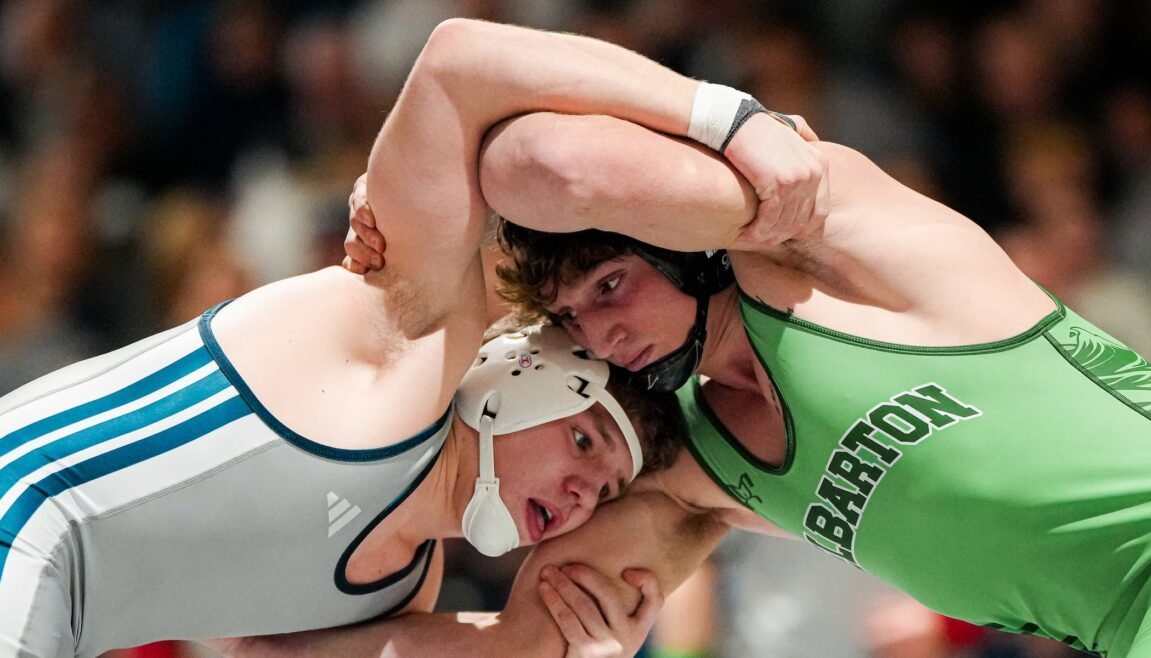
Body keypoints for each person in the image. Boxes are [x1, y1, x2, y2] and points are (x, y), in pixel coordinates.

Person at [340, 18, 1151, 658]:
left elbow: (539, 162)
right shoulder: (691, 471)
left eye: (611, 284)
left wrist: (724, 122)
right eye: (569, 321)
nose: (600, 331)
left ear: (678, 240)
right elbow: (526, 641)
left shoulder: (817, 239)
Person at [0, 16, 696, 656]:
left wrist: (552, 641)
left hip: (57, 614)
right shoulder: (411, 341)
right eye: (583, 442)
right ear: (521, 376)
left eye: (604, 494)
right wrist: (725, 122)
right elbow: (457, 64)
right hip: (21, 517)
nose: (581, 496)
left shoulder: (403, 591)